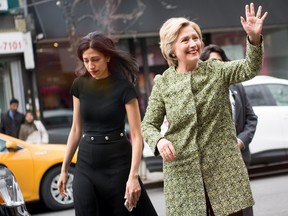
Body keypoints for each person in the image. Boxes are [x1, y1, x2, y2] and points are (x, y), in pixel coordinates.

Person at [141, 2, 268, 216]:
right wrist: (159, 141)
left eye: (195, 37)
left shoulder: (217, 70)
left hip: (224, 171)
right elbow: (148, 125)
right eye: (185, 40)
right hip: (182, 174)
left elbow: (250, 68)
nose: (193, 44)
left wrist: (254, 39)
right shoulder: (164, 83)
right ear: (171, 47)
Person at [57, 31, 157, 216]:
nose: (90, 66)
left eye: (95, 59)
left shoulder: (124, 88)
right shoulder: (79, 85)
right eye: (86, 60)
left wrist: (133, 176)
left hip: (118, 163)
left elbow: (136, 135)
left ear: (108, 56)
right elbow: (76, 129)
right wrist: (64, 169)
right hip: (86, 162)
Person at [200, 44, 258, 216]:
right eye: (211, 62)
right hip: (212, 162)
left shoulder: (236, 86)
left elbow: (251, 118)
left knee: (242, 208)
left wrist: (241, 141)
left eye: (219, 61)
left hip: (237, 158)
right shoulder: (201, 91)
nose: (216, 65)